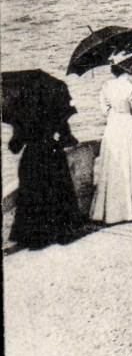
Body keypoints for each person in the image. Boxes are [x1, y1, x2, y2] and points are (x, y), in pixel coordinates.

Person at [4, 72, 81, 248]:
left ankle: (36, 239)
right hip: (53, 154)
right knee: (58, 191)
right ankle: (61, 234)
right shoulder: (56, 112)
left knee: (33, 194)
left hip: (32, 157)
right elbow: (68, 138)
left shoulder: (23, 116)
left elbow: (14, 147)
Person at [89, 50, 132, 225]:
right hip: (128, 126)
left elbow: (104, 110)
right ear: (125, 66)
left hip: (113, 127)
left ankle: (113, 211)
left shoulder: (106, 86)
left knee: (113, 166)